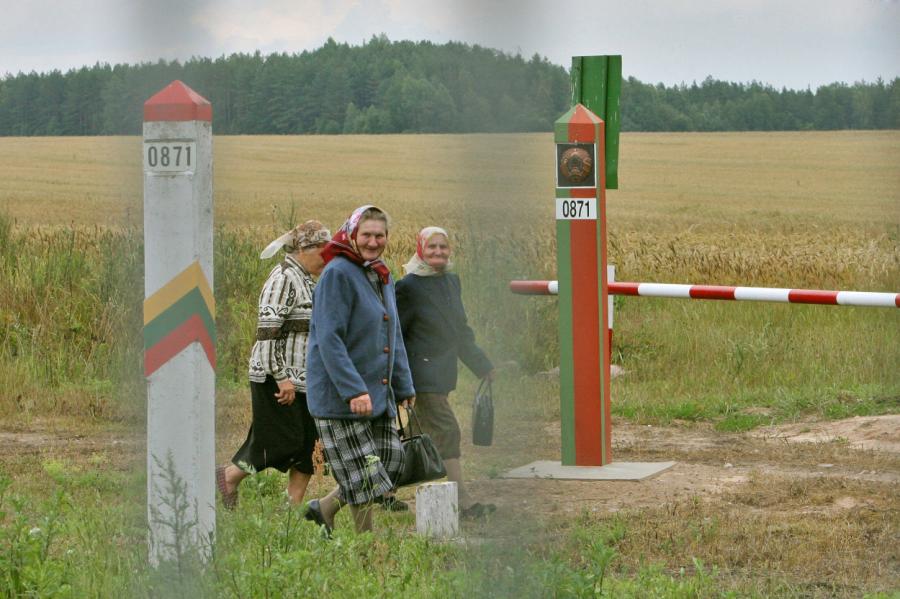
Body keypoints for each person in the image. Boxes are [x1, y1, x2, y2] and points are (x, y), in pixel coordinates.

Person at [303, 205, 415, 534]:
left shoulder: (380, 273)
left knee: (390, 463)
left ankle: (324, 507)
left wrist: (404, 386)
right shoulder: (337, 273)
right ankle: (367, 549)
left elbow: (392, 334)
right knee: (364, 478)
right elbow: (329, 339)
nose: (373, 241)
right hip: (341, 397)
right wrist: (353, 390)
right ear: (352, 234)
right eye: (366, 234)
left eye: (379, 235)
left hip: (376, 392)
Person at [216, 220, 331, 509]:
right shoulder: (283, 278)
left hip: (306, 380)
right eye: (324, 252)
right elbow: (267, 331)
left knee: (310, 447)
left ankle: (290, 511)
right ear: (306, 249)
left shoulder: (305, 278)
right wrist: (281, 377)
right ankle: (228, 477)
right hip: (276, 378)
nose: (327, 259)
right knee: (278, 443)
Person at [395, 226, 495, 518]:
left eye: (443, 247)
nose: (438, 252)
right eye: (432, 247)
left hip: (442, 375)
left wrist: (483, 366)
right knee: (447, 431)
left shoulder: (451, 282)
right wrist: (398, 380)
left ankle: (382, 492)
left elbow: (460, 332)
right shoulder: (408, 286)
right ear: (420, 250)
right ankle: (463, 501)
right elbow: (396, 335)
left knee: (411, 437)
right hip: (420, 377)